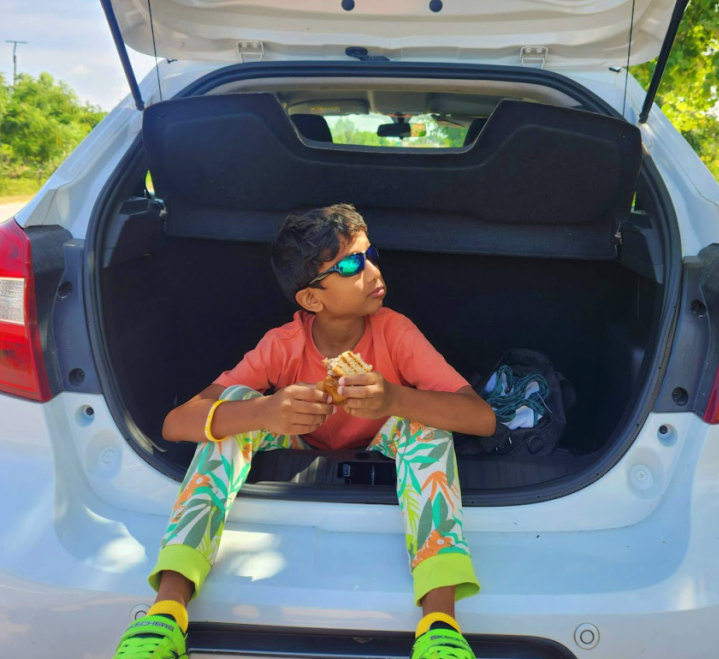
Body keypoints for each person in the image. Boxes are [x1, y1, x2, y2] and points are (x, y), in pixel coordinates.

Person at [112, 203, 496, 659]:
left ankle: (440, 626)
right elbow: (178, 423)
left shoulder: (395, 332)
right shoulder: (283, 344)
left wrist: (394, 399)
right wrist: (268, 411)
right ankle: (165, 615)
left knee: (428, 423)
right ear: (311, 299)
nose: (372, 269)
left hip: (382, 439)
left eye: (371, 253)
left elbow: (481, 418)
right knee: (234, 406)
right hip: (299, 440)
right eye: (352, 264)